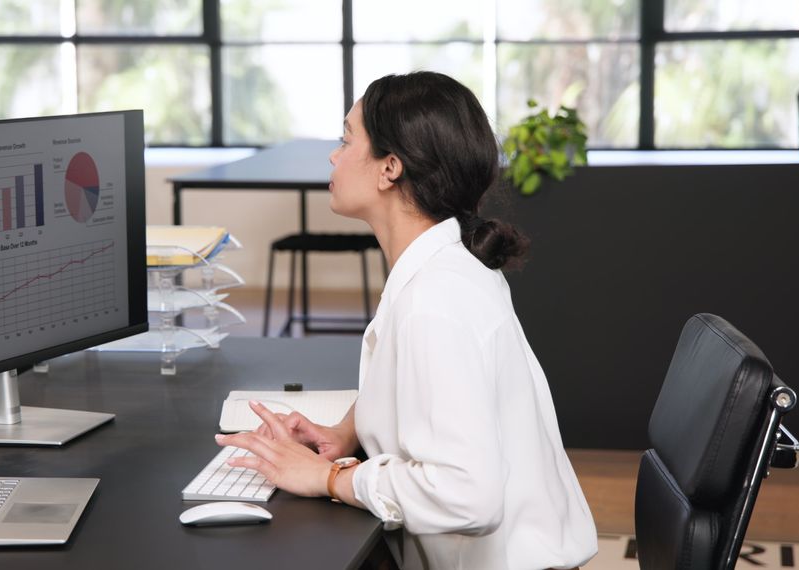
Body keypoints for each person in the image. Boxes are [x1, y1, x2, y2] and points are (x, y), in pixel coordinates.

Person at [216, 71, 597, 570]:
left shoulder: (436, 301)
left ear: (389, 168)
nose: (333, 156)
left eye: (346, 140)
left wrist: (329, 479)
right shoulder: (443, 265)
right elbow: (427, 391)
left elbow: (467, 495)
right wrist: (344, 435)